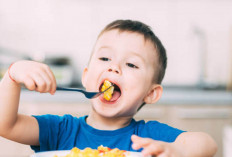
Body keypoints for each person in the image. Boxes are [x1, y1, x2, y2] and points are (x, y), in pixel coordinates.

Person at [0, 20, 217, 157]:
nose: (114, 67)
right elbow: (5, 125)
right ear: (86, 77)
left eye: (131, 64)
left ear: (151, 94)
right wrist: (12, 76)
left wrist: (179, 151)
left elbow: (207, 144)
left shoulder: (148, 138)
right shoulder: (62, 130)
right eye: (105, 58)